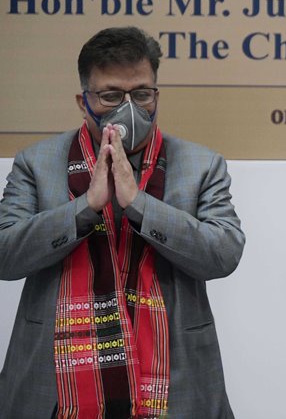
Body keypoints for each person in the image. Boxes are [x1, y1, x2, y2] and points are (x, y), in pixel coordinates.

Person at [0, 27, 245, 418]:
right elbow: (5, 256)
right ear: (84, 102)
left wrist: (139, 205)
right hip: (57, 383)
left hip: (173, 382)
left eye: (142, 94)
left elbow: (224, 253)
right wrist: (85, 207)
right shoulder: (37, 162)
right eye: (111, 95)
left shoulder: (202, 164)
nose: (129, 108)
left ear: (156, 95)